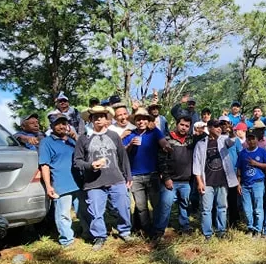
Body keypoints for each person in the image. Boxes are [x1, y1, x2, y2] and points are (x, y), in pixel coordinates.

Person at [73, 105, 133, 250]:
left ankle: (125, 231)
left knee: (123, 206)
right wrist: (91, 165)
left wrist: (128, 175)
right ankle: (99, 236)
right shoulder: (83, 138)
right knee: (95, 211)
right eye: (96, 117)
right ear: (91, 119)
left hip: (116, 178)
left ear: (107, 119)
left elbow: (122, 157)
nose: (99, 119)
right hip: (93, 182)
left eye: (102, 116)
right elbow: (77, 161)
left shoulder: (113, 136)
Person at [38, 113, 85, 247]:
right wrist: (48, 186)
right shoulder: (46, 142)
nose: (62, 126)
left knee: (83, 212)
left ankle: (86, 233)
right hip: (61, 184)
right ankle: (67, 240)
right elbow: (44, 165)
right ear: (52, 126)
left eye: (64, 123)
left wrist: (76, 138)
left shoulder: (71, 141)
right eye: (58, 124)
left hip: (78, 182)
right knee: (63, 215)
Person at [122, 108, 167, 238]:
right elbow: (122, 153)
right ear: (135, 121)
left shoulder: (154, 133)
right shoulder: (129, 134)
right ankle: (148, 231)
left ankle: (158, 230)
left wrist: (167, 147)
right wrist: (130, 144)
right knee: (141, 206)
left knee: (156, 204)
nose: (141, 121)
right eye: (138, 119)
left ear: (148, 121)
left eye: (144, 119)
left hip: (152, 174)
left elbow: (163, 142)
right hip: (135, 176)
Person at [192, 119, 241, 239]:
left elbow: (232, 141)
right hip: (207, 181)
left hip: (223, 181)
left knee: (222, 208)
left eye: (220, 126)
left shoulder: (223, 140)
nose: (219, 128)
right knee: (206, 209)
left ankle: (221, 232)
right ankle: (207, 234)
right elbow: (197, 164)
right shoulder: (201, 143)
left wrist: (231, 131)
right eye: (216, 126)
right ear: (209, 128)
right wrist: (199, 182)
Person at [157, 115, 195, 236]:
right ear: (177, 124)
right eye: (182, 125)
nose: (184, 128)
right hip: (171, 181)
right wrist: (166, 178)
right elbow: (161, 160)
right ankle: (159, 230)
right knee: (165, 206)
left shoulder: (191, 140)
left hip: (186, 181)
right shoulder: (167, 139)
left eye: (187, 126)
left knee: (185, 205)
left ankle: (185, 227)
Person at [236, 130, 266, 236]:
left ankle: (258, 229)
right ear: (246, 140)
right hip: (245, 184)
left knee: (258, 208)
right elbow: (239, 169)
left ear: (257, 140)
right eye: (249, 139)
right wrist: (238, 183)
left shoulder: (262, 152)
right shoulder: (243, 153)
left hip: (258, 183)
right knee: (247, 208)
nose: (251, 141)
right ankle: (250, 227)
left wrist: (256, 163)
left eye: (253, 139)